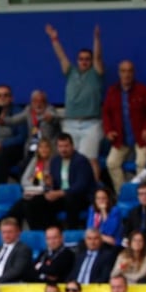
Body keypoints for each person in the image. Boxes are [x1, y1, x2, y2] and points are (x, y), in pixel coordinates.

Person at [45, 24, 105, 187]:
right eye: (81, 59)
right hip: (70, 122)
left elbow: (98, 57)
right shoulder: (71, 72)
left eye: (87, 59)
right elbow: (61, 56)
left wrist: (97, 39)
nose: (84, 62)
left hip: (91, 123)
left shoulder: (96, 74)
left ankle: (93, 191)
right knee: (68, 159)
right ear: (77, 61)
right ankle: (70, 189)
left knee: (90, 159)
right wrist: (54, 38)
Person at [102, 61, 146, 189]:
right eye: (123, 71)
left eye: (129, 71)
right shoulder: (112, 91)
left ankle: (142, 195)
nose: (127, 74)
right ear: (119, 73)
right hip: (121, 137)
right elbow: (106, 113)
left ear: (134, 73)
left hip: (140, 137)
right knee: (111, 163)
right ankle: (123, 194)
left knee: (142, 163)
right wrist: (109, 131)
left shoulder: (142, 90)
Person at [0, 218, 33, 283]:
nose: (6, 235)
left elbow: (16, 271)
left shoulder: (23, 249)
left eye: (10, 232)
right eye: (3, 232)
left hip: (10, 284)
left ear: (18, 232)